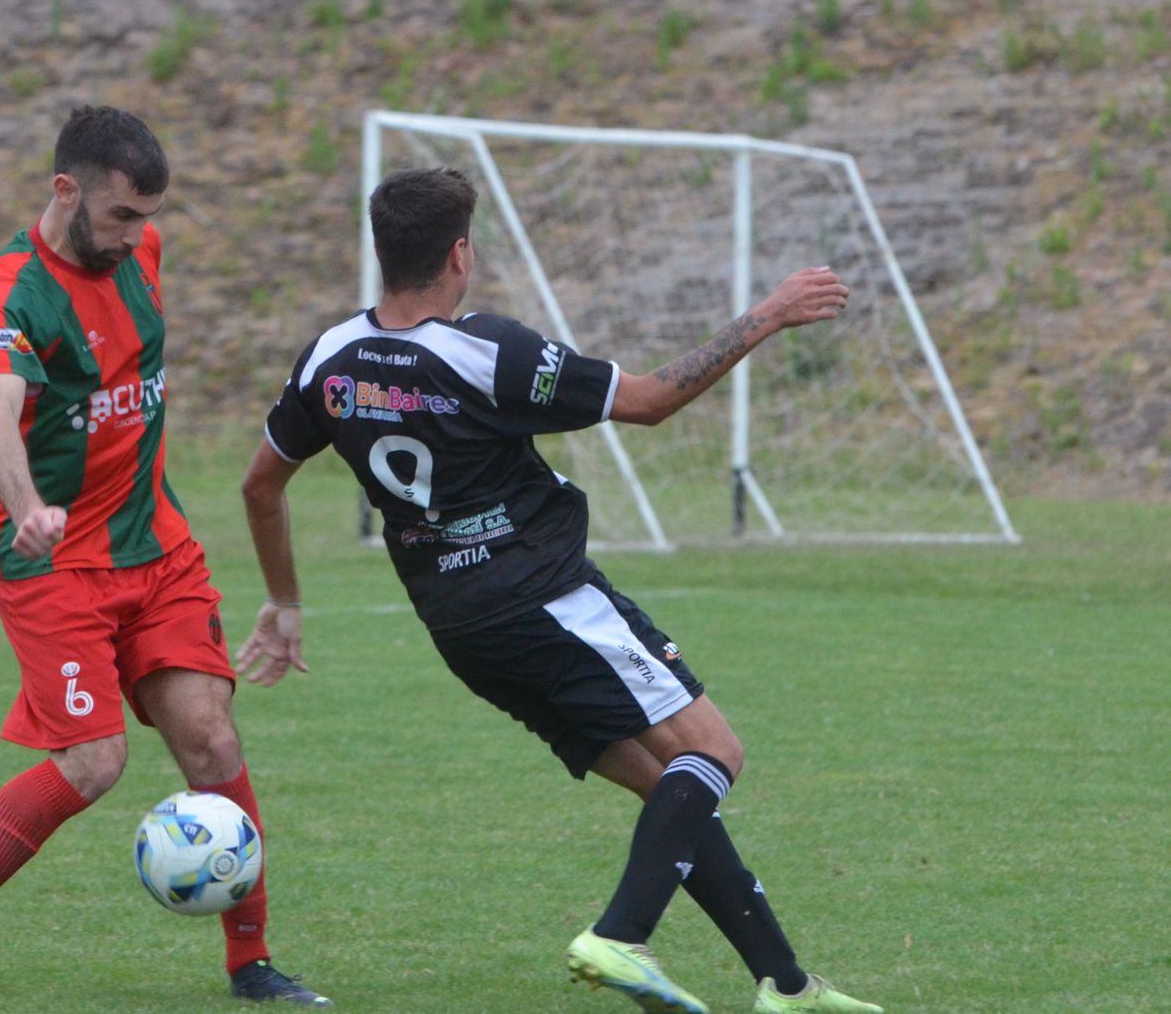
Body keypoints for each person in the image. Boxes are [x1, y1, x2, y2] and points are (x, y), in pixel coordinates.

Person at [238, 167, 882, 1014]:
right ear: (460, 254)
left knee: (671, 790)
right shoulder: (485, 350)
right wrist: (770, 312)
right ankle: (620, 936)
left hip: (461, 629)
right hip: (543, 595)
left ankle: (787, 985)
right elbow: (649, 401)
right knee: (716, 753)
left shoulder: (330, 358)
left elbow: (260, 485)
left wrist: (285, 602)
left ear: (382, 252)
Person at [0, 106, 330, 1007]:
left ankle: (252, 967)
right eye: (123, 214)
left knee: (209, 736)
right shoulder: (13, 293)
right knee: (95, 762)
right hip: (51, 560)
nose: (138, 235)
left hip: (154, 545)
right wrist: (27, 508)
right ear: (65, 191)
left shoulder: (142, 254)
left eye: (148, 216)